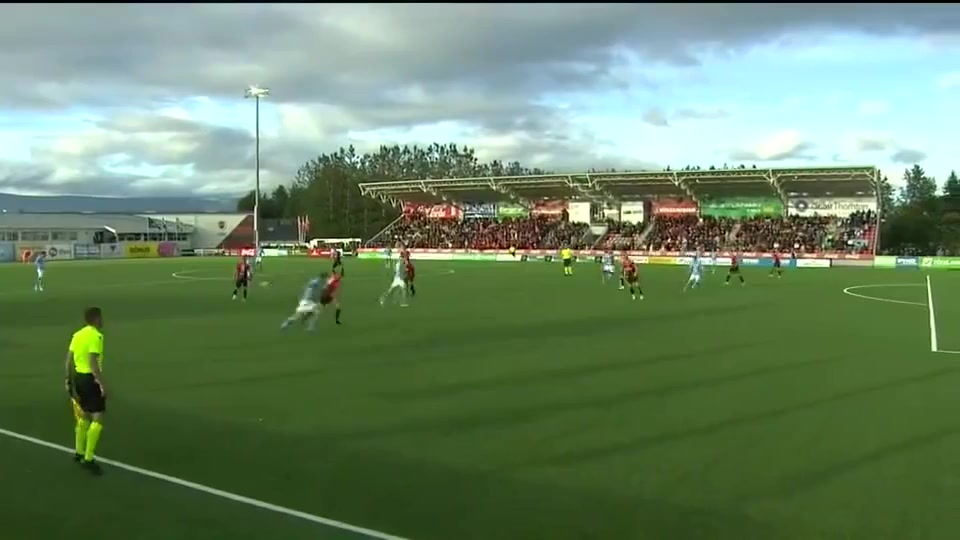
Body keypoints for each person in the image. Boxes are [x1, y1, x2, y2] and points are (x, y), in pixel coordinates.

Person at [65, 307, 106, 475]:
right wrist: (101, 384)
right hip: (90, 379)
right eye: (101, 318)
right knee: (98, 417)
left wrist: (68, 379)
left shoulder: (77, 335)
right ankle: (89, 458)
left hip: (78, 378)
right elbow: (93, 362)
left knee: (82, 415)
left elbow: (68, 360)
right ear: (96, 319)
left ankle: (78, 452)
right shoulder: (96, 336)